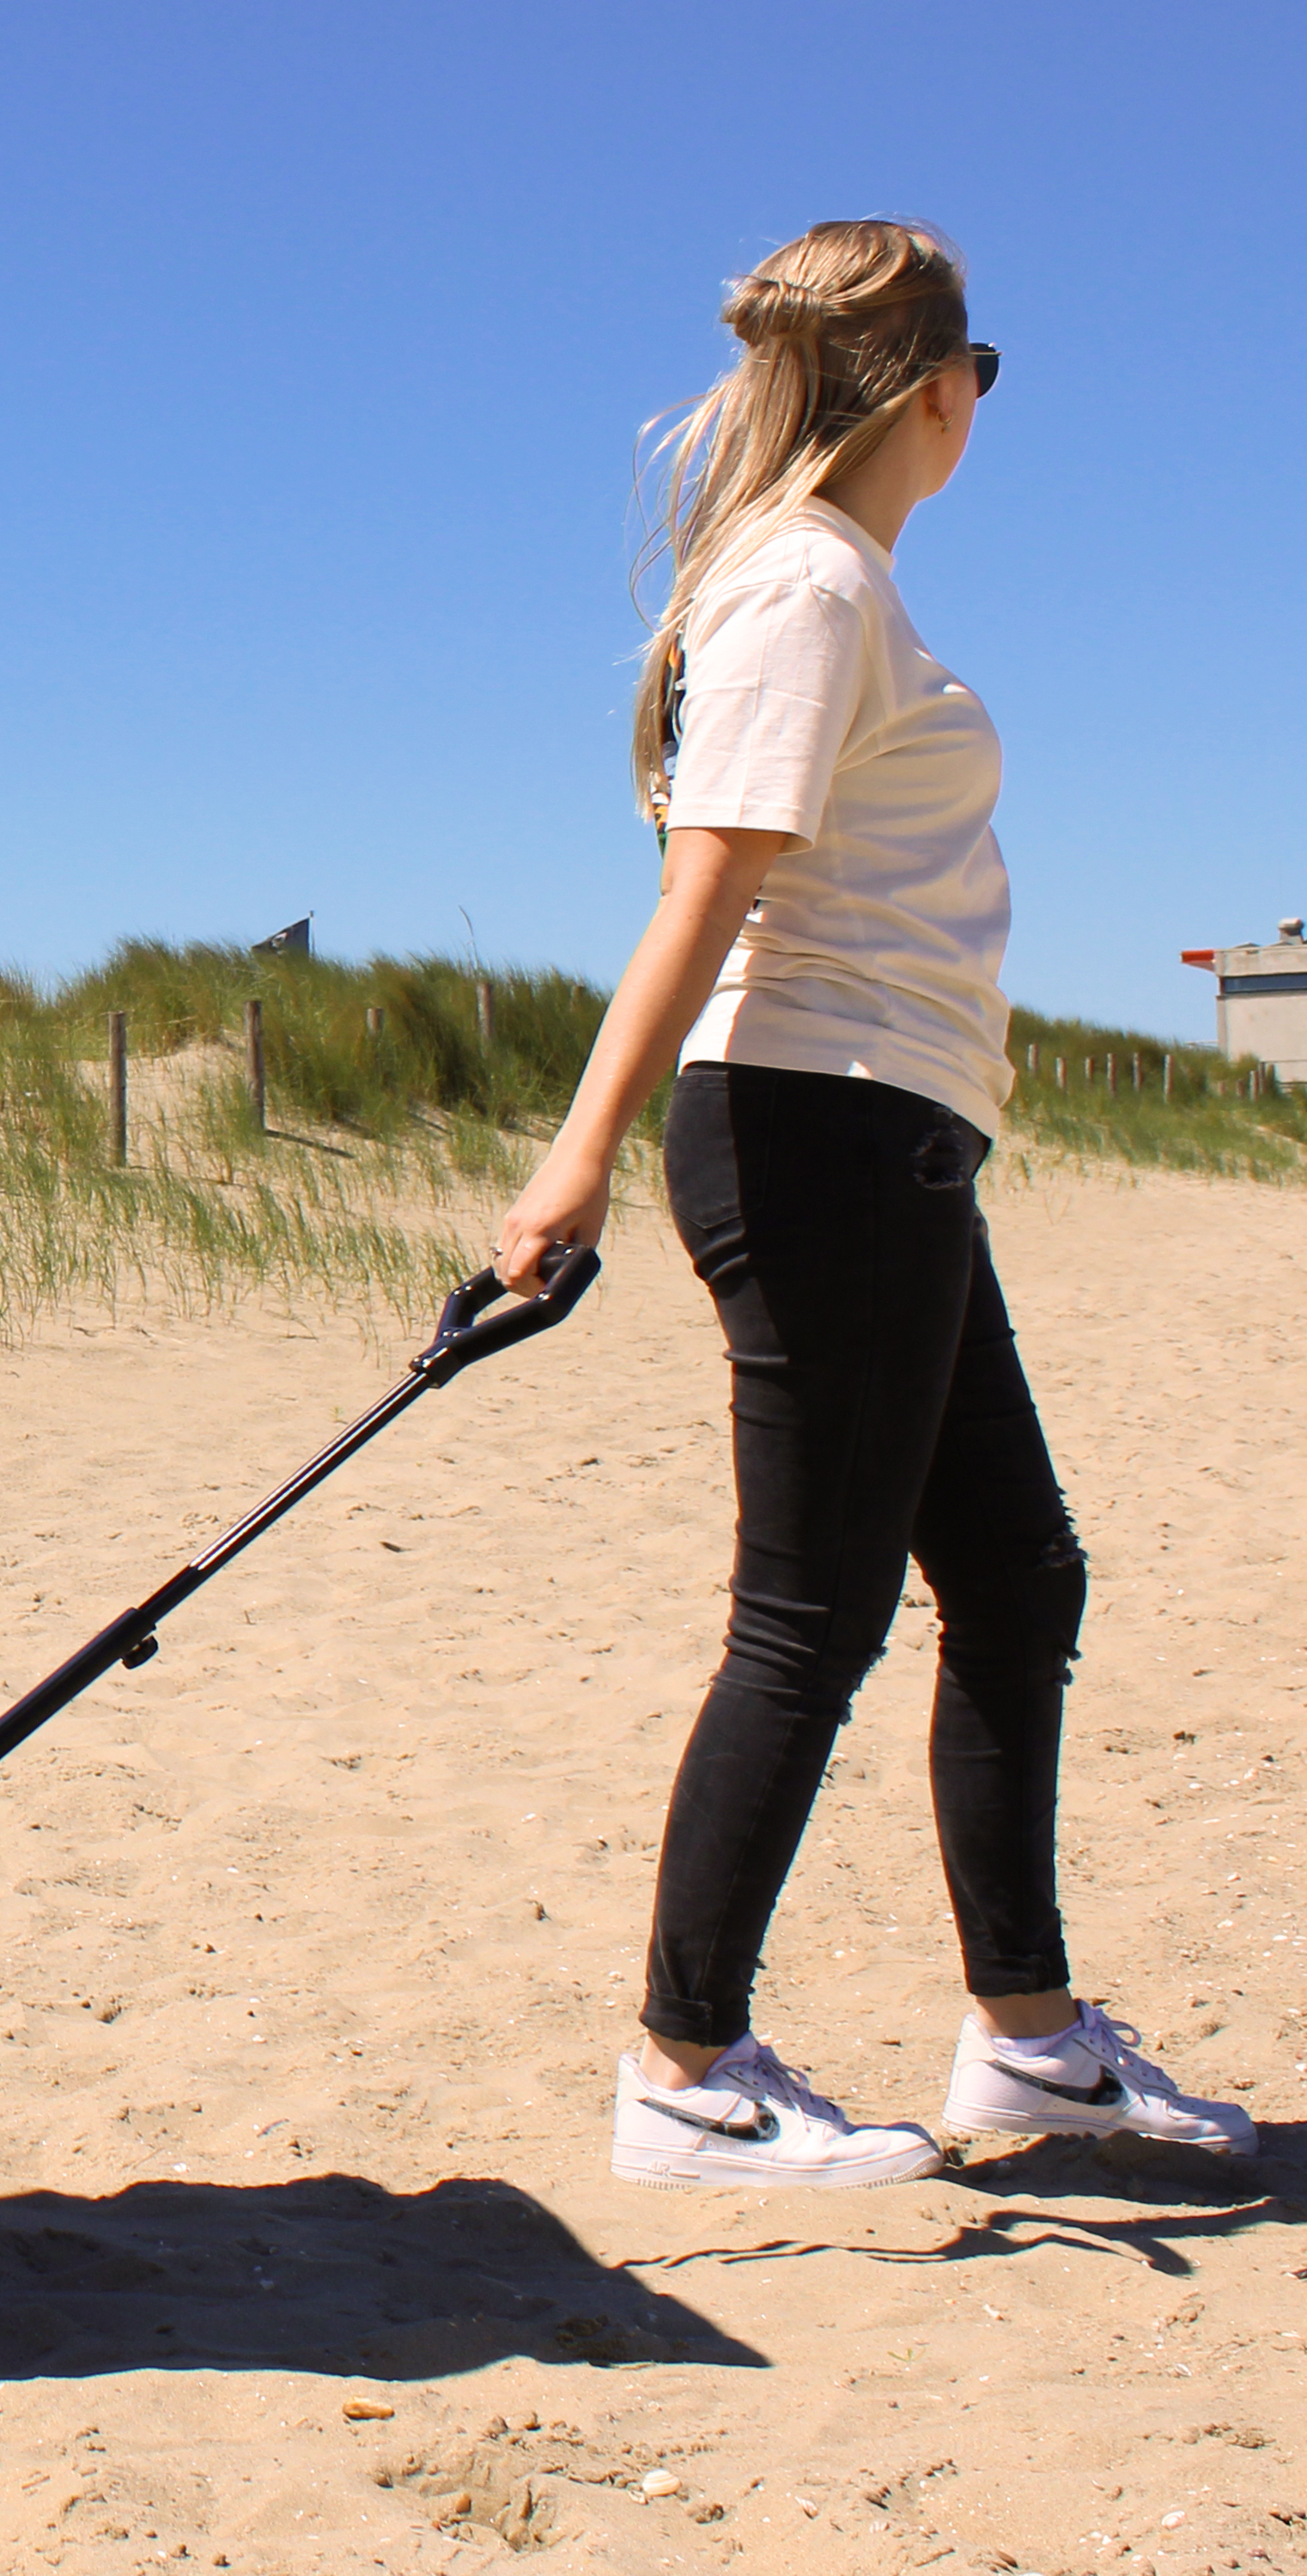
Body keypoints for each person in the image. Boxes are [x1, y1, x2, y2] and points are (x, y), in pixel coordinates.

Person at [494, 220, 1254, 2187]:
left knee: (1016, 1580)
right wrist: (573, 1159)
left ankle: (1025, 2042)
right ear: (933, 390)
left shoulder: (820, 584)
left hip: (881, 1139)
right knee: (803, 1619)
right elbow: (705, 891)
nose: (979, 409)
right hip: (818, 1131)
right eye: (981, 376)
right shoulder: (813, 584)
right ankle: (681, 2068)